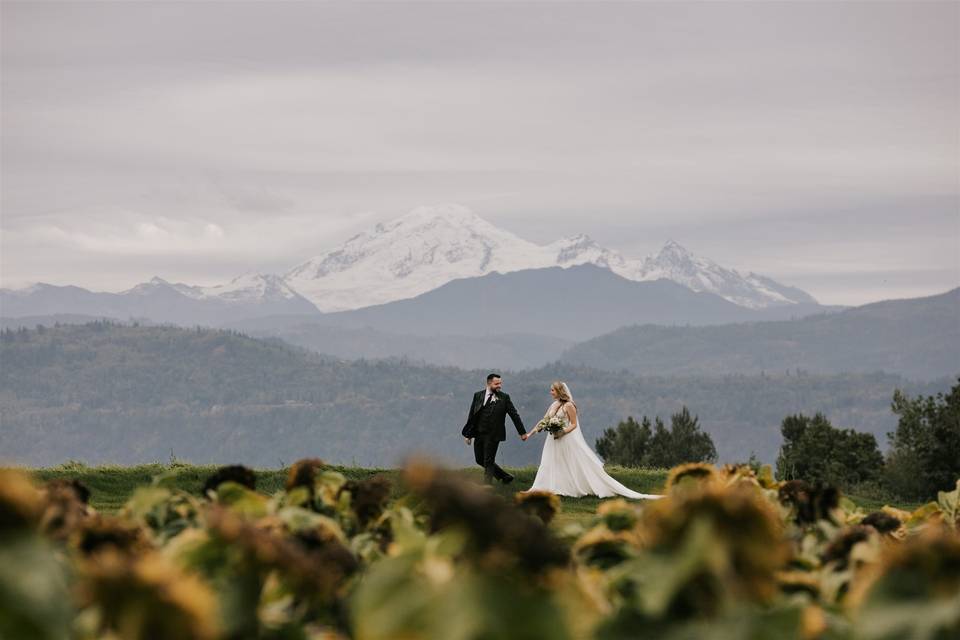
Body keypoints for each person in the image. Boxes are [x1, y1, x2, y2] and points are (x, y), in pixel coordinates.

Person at [522, 381, 660, 499]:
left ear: (559, 391)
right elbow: (544, 420)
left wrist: (562, 432)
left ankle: (569, 487)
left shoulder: (569, 406)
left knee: (569, 463)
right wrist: (530, 433)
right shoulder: (553, 405)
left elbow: (574, 424)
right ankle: (540, 489)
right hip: (552, 440)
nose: (550, 392)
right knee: (548, 463)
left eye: (552, 390)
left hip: (565, 439)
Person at [462, 373, 526, 484]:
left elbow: (514, 415)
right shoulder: (478, 395)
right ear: (489, 383)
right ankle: (505, 476)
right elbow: (472, 415)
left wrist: (522, 432)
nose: (499, 386)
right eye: (497, 384)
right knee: (479, 459)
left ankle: (487, 487)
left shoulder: (504, 397)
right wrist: (468, 434)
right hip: (478, 433)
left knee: (488, 461)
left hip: (494, 434)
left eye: (500, 383)